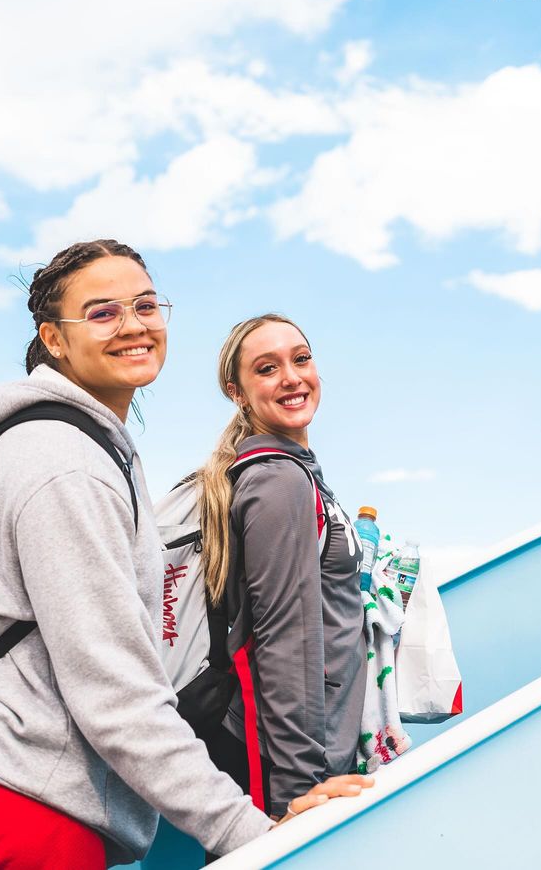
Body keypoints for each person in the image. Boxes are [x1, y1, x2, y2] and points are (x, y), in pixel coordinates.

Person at [0, 242, 372, 868]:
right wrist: (256, 834)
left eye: (146, 304)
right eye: (102, 312)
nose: (134, 323)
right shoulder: (65, 465)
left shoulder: (68, 447)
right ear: (54, 339)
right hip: (18, 800)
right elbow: (117, 696)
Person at [197, 314, 367, 822]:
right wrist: (296, 791)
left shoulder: (296, 471)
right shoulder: (278, 481)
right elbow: (280, 638)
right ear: (238, 392)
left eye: (301, 359)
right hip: (297, 772)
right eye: (267, 368)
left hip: (318, 752)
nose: (292, 378)